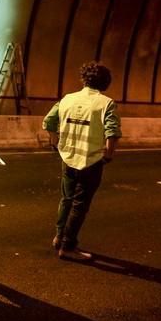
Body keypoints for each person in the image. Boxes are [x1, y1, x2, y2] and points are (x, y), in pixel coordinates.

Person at [42, 61, 122, 261]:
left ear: (84, 79)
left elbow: (49, 121)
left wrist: (55, 141)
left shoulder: (67, 99)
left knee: (66, 199)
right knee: (80, 205)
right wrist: (109, 154)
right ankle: (68, 247)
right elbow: (112, 132)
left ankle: (59, 237)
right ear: (105, 82)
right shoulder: (106, 103)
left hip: (67, 157)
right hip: (91, 160)